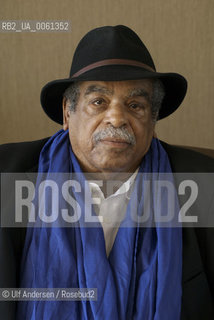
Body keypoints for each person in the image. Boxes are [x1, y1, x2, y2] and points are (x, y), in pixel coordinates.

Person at [0, 25, 214, 320]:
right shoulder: (7, 178)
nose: (117, 117)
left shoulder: (204, 186)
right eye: (98, 102)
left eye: (135, 104)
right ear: (67, 113)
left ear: (152, 122)